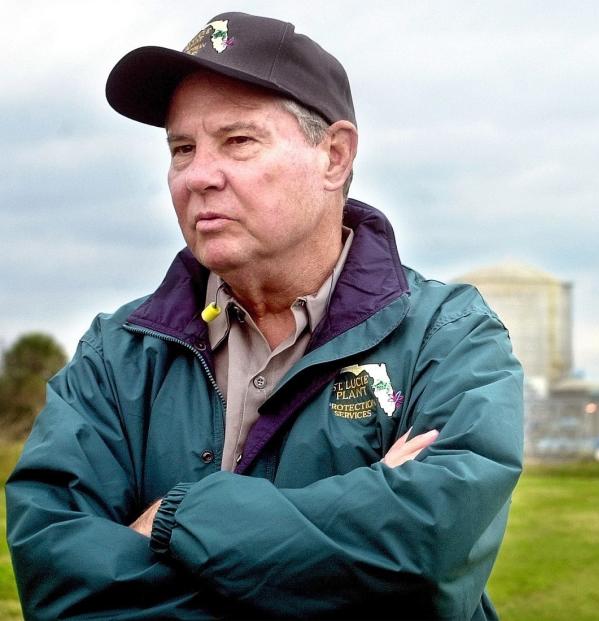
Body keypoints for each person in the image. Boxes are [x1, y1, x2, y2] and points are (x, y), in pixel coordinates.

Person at [6, 12, 523, 620]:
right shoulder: (118, 353)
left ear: (333, 155)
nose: (198, 175)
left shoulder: (445, 333)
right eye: (181, 148)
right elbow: (60, 581)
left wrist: (177, 517)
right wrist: (341, 542)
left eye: (238, 141)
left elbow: (429, 544)